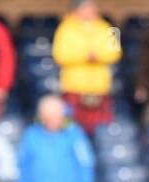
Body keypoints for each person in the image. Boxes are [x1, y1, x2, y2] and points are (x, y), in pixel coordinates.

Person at [52, 0, 122, 133]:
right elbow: (60, 54)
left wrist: (98, 56)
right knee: (73, 127)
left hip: (100, 87)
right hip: (75, 86)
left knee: (101, 127)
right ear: (77, 10)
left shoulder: (109, 27)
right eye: (87, 8)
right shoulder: (64, 28)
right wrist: (84, 56)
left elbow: (116, 53)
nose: (90, 11)